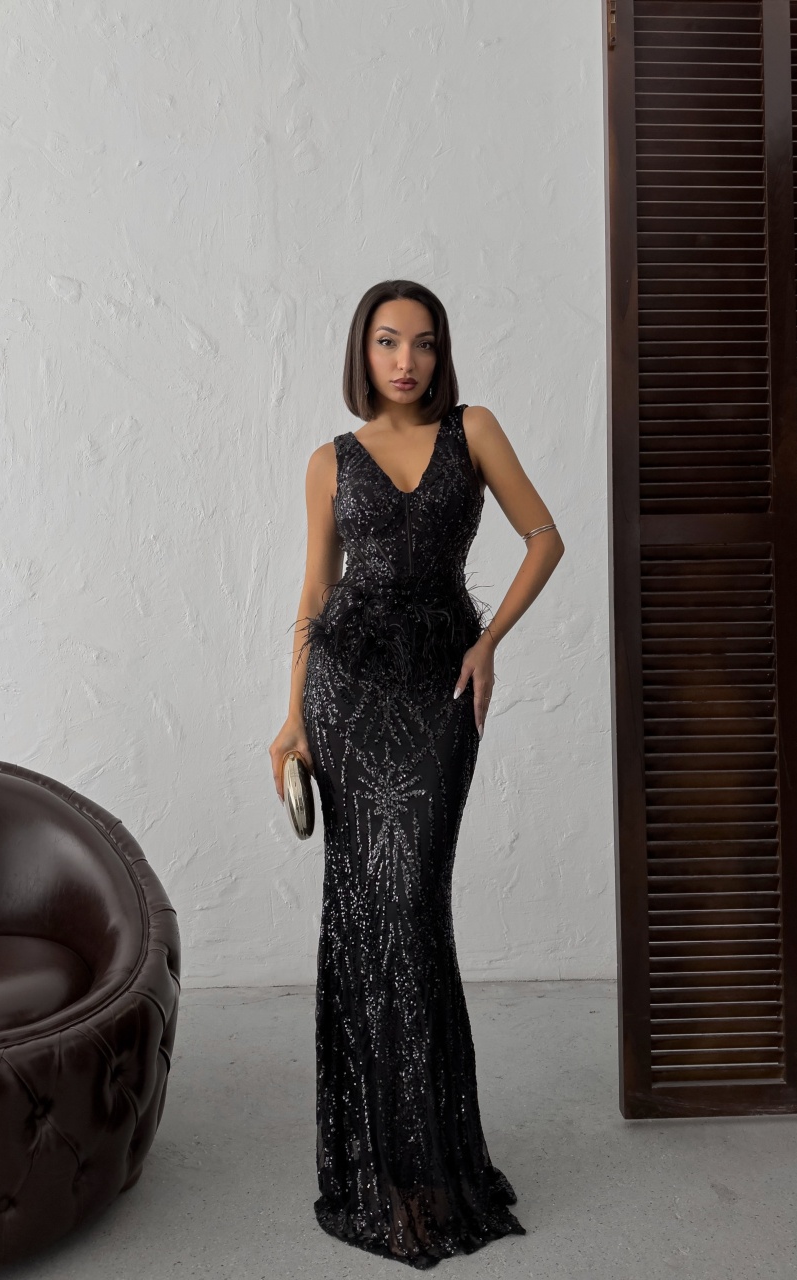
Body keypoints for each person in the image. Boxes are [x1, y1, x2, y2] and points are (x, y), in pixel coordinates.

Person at [268, 279, 564, 1268]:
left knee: (412, 905)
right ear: (364, 351)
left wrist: (488, 642)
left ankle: (435, 1165)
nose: (407, 360)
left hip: (439, 688)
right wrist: (292, 717)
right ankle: (381, 1168)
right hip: (346, 693)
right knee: (364, 910)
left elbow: (545, 537)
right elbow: (316, 591)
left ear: (441, 354)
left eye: (424, 342)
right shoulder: (329, 459)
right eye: (389, 341)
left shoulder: (472, 430)